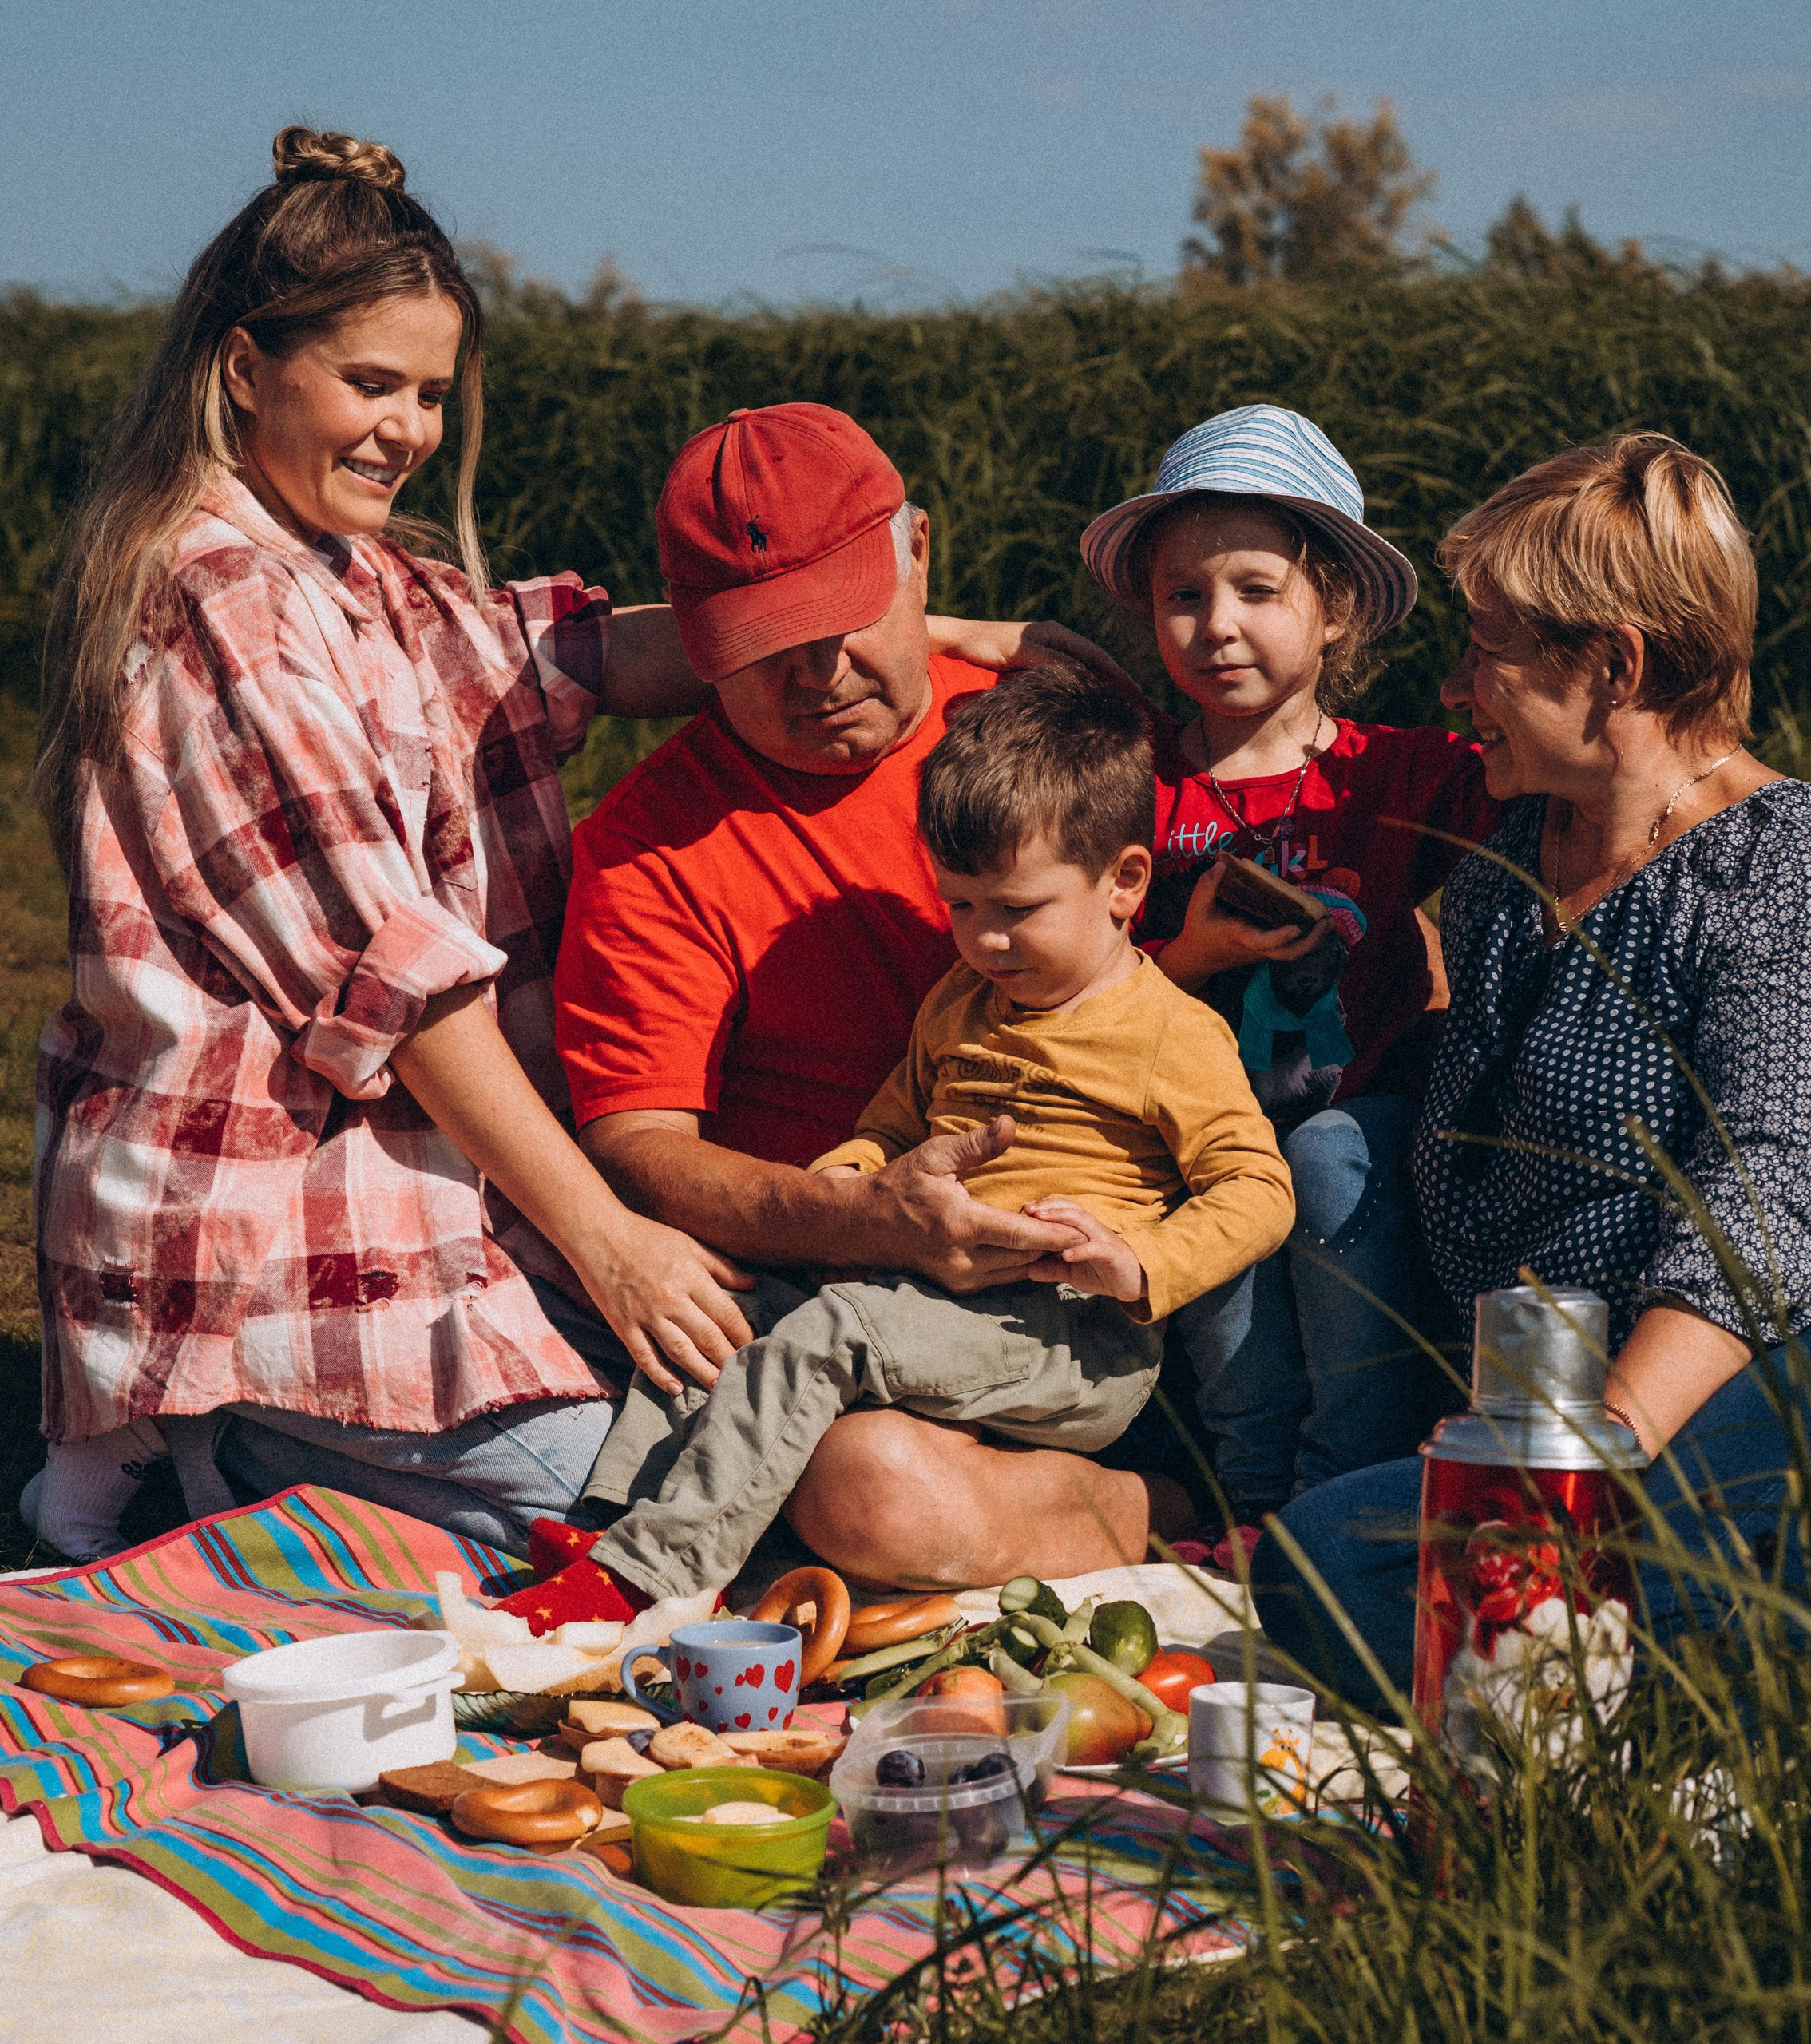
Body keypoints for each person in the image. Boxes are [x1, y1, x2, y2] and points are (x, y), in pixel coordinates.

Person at [26, 129, 1094, 1559]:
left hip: (429, 1200)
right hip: (284, 1234)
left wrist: (918, 621)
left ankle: (235, 1473)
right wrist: (611, 1240)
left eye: (428, 394)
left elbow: (563, 648)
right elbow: (405, 986)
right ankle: (207, 1461)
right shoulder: (227, 609)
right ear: (242, 371)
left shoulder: (358, 579)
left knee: (735, 1451)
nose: (405, 428)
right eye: (368, 383)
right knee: (684, 1502)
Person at [1250, 433, 1811, 1705]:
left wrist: (1580, 1457)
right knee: (1329, 1557)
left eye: (1488, 650)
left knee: (1402, 1581)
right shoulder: (1517, 870)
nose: (1459, 687)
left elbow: (1776, 1201)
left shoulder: (1797, 866)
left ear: (1612, 666)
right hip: (1637, 1401)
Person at [505, 667, 1292, 1620]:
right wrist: (852, 1184)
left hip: (1064, 1334)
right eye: (960, 906)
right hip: (934, 1301)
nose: (983, 940)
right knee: (733, 1312)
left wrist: (1138, 1262)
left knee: (828, 1332)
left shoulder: (1168, 1033)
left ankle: (651, 1578)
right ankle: (615, 1525)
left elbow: (1257, 1184)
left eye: (1015, 910)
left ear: (1125, 882)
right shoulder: (960, 1003)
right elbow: (889, 1125)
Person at [1078, 405, 1497, 1519]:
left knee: (1322, 1159)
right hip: (1200, 1129)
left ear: (1336, 611)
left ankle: (1346, 1501)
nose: (1217, 625)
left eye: (1257, 591)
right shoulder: (1134, 783)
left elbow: (1544, 793)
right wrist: (1193, 954)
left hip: (1356, 1117)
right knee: (1228, 1270)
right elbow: (1086, 998)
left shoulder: (1394, 774)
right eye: (1184, 595)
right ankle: (1253, 1515)